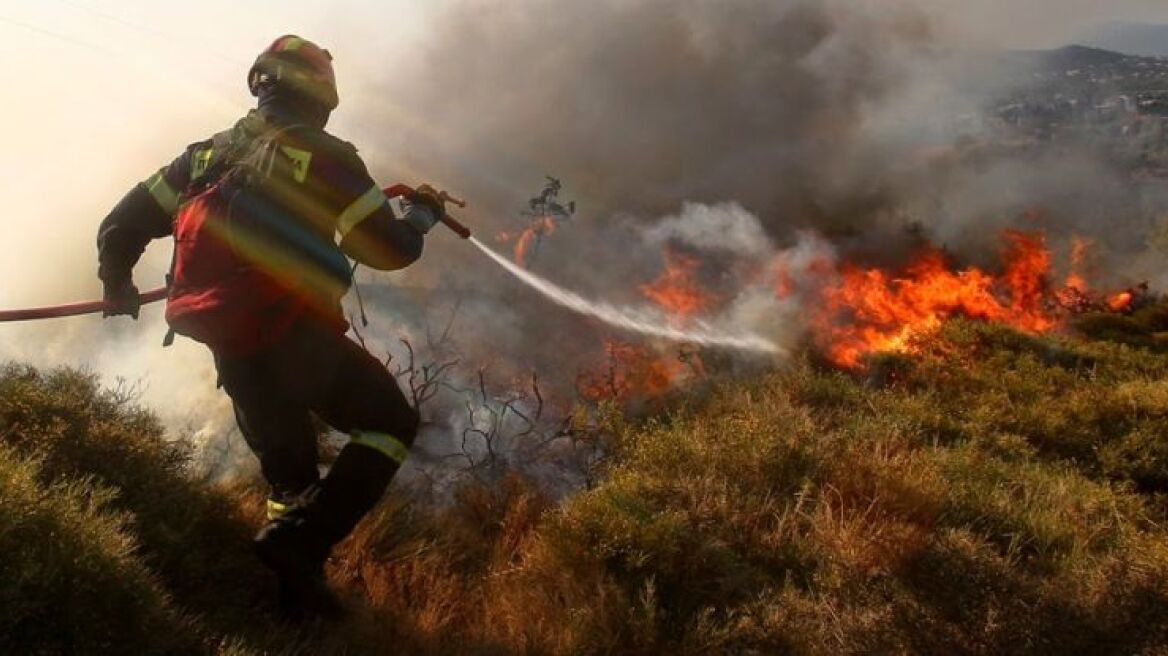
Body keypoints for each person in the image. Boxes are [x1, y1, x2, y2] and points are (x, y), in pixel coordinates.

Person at [95, 34, 444, 618]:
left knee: (290, 480)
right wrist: (421, 217)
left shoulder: (204, 156)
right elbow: (388, 251)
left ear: (261, 84)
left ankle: (296, 601)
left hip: (229, 342)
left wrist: (117, 285)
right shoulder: (329, 157)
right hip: (295, 335)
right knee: (390, 424)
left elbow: (119, 226)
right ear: (323, 96)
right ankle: (302, 546)